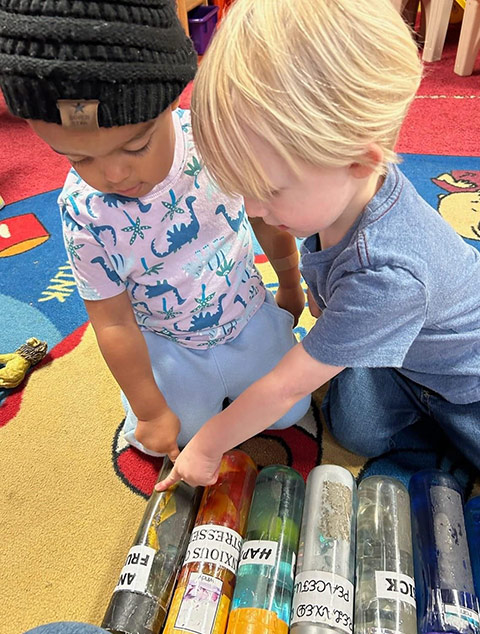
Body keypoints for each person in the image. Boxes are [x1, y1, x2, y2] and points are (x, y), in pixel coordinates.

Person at [156, 0, 480, 490]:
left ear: (357, 159)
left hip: (467, 383)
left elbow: (287, 383)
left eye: (268, 190)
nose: (252, 208)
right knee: (353, 426)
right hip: (405, 360)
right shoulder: (341, 192)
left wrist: (209, 442)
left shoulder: (386, 274)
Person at [0, 0, 310, 461]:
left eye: (137, 144)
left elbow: (265, 218)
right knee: (173, 435)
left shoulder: (214, 142)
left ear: (173, 99)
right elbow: (113, 321)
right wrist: (148, 411)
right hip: (169, 343)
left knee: (291, 409)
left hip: (248, 313)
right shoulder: (84, 213)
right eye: (77, 158)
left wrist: (290, 285)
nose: (114, 175)